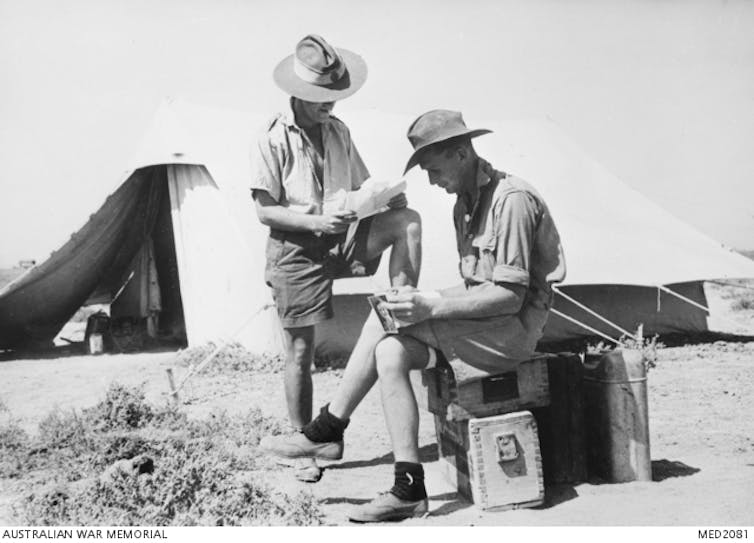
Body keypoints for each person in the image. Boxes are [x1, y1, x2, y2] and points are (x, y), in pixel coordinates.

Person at [260, 109, 566, 521]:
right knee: (390, 350)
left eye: (434, 170)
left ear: (461, 154)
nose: (432, 181)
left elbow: (510, 297)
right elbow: (477, 287)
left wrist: (432, 306)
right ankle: (409, 488)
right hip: (484, 326)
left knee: (384, 316)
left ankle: (329, 428)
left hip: (511, 333)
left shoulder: (510, 202)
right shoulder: (466, 204)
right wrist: (426, 298)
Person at [250, 35, 422, 483]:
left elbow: (363, 186)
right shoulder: (271, 138)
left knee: (407, 221)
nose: (331, 105)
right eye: (323, 99)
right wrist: (316, 223)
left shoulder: (339, 130)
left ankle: (400, 320)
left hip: (342, 236)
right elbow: (265, 210)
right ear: (300, 94)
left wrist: (381, 198)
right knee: (301, 352)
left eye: (335, 97)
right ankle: (307, 442)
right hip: (296, 247)